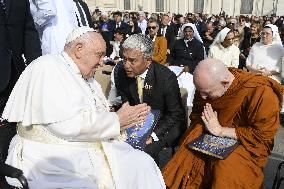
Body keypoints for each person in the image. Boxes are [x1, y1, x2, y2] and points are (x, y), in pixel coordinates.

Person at [2, 27, 166, 189]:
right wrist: (117, 120)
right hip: (52, 156)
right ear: (79, 49)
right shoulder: (48, 67)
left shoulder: (87, 78)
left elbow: (97, 115)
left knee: (142, 163)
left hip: (85, 148)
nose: (102, 62)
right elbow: (66, 125)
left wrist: (123, 121)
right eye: (99, 55)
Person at [162, 58, 283, 189]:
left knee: (225, 169)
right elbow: (197, 114)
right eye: (199, 91)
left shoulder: (260, 92)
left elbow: (262, 136)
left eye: (207, 93)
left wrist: (221, 131)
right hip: (208, 132)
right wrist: (207, 126)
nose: (202, 97)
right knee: (187, 154)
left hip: (245, 143)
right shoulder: (206, 85)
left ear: (225, 83)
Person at [114, 34, 186, 167]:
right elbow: (126, 103)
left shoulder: (166, 78)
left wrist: (153, 135)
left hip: (163, 125)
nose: (126, 65)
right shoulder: (120, 72)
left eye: (132, 60)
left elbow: (175, 114)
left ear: (148, 60)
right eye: (124, 59)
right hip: (136, 123)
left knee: (143, 155)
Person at [0, 0, 41, 188]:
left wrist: (37, 68)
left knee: (9, 129)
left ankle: (8, 178)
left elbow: (28, 31)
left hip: (13, 75)